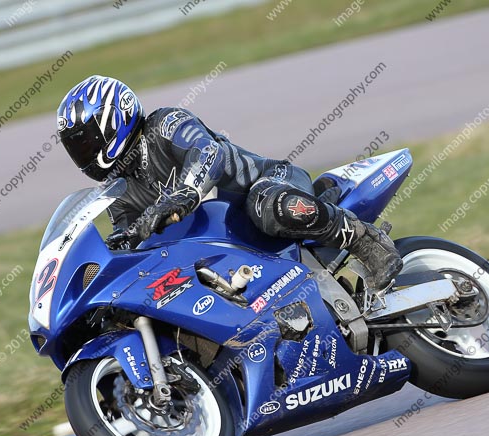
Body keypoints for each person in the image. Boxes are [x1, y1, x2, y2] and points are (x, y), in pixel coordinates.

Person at [57, 75, 402, 291]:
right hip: (225, 241)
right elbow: (132, 237)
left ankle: (367, 242)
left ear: (114, 121)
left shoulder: (165, 124)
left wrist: (181, 196)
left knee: (267, 206)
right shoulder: (118, 190)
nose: (82, 154)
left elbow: (208, 153)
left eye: (85, 141)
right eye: (76, 147)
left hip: (268, 185)